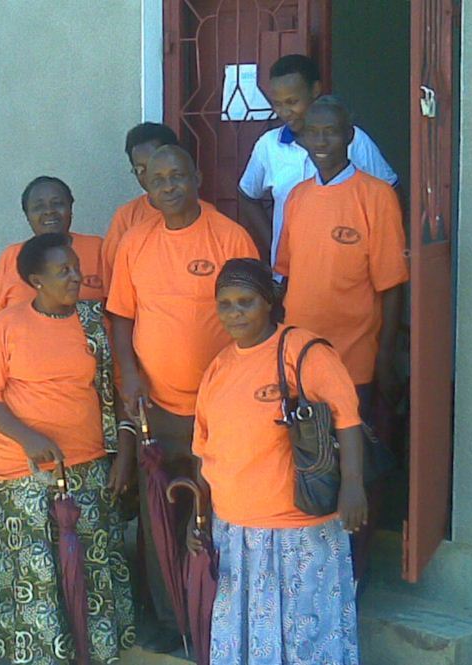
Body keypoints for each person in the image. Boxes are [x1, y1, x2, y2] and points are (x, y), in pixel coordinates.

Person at [106, 144, 258, 652]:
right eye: (158, 179)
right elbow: (121, 316)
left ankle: (217, 616)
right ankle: (172, 619)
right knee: (160, 519)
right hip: (158, 409)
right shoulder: (135, 243)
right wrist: (129, 375)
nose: (168, 186)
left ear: (197, 177)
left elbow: (255, 314)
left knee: (219, 512)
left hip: (221, 408)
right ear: (146, 188)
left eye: (177, 176)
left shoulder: (229, 236)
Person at [0, 233, 135, 664]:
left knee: (84, 577)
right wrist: (29, 438)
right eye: (63, 271)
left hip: (86, 472)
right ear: (36, 280)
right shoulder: (7, 325)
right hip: (20, 478)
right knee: (33, 581)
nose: (76, 277)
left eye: (76, 268)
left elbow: (116, 392)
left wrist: (125, 451)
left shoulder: (93, 325)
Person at [190, 259, 364, 664]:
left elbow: (347, 419)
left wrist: (354, 484)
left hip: (298, 529)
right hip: (235, 533)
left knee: (306, 639)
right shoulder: (218, 368)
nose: (235, 313)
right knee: (249, 639)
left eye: (246, 302)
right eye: (225, 304)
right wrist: (197, 519)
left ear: (269, 301)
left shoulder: (302, 351)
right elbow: (204, 451)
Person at [275, 95, 409, 581]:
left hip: (354, 360)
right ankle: (314, 574)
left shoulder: (376, 196)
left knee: (357, 472)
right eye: (313, 132)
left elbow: (391, 287)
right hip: (300, 362)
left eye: (331, 131)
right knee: (310, 469)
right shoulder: (298, 197)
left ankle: (353, 577)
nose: (322, 141)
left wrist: (386, 356)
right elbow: (287, 277)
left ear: (350, 136)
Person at [239, 54, 398, 265]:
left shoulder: (353, 139)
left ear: (315, 90)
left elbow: (392, 193)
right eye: (277, 104)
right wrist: (275, 246)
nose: (284, 112)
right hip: (290, 273)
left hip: (348, 272)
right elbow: (247, 195)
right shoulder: (268, 145)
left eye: (292, 102)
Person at [0, 176, 105, 340]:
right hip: (24, 354)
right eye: (38, 207)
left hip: (87, 354)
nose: (49, 211)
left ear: (71, 209)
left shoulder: (98, 249)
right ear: (27, 216)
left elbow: (120, 313)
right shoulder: (12, 257)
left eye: (57, 203)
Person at [100, 122, 180, 292]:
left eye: (154, 165)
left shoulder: (206, 216)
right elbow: (113, 281)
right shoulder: (126, 217)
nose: (149, 175)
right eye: (140, 169)